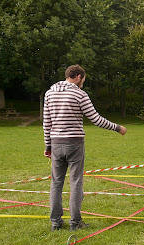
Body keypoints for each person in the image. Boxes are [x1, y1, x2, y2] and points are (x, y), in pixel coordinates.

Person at [43, 64, 127, 231]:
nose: (83, 83)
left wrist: (48, 145)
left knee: (56, 183)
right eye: (83, 79)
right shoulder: (79, 94)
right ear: (79, 77)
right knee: (76, 183)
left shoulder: (49, 93)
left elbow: (47, 122)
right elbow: (96, 119)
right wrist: (118, 128)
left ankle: (56, 223)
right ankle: (75, 223)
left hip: (56, 143)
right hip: (74, 143)